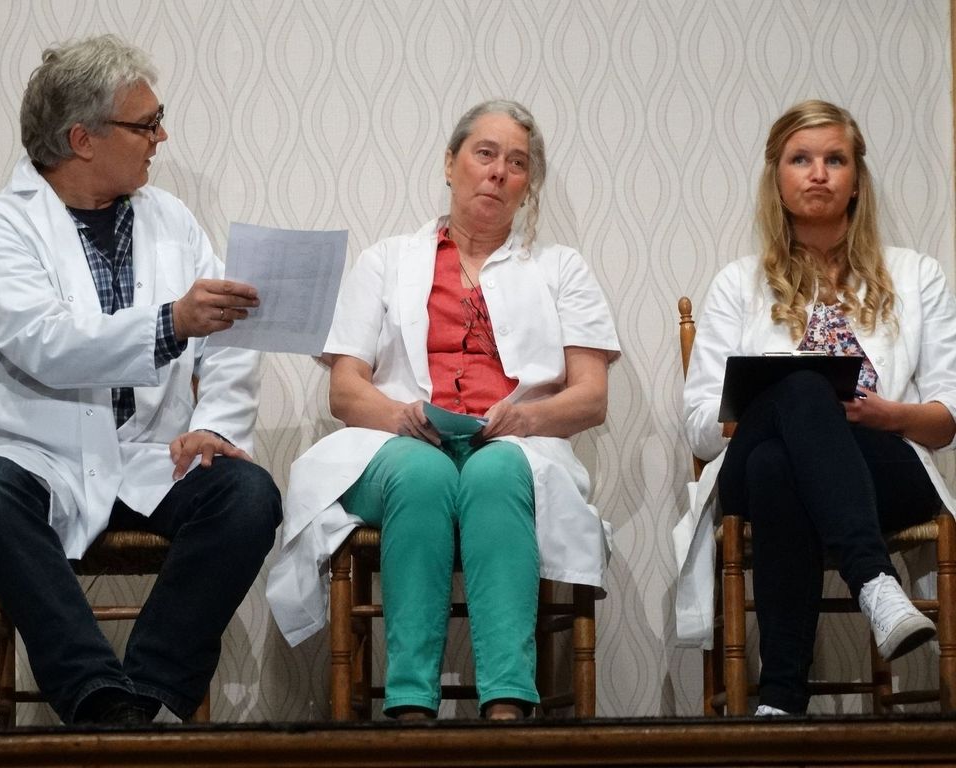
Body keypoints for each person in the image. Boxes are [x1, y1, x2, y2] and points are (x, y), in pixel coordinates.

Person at [0, 34, 282, 726]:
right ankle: (98, 697)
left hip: (153, 456)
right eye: (146, 123)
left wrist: (213, 425)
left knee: (248, 495)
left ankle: (147, 697)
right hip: (41, 455)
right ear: (83, 139)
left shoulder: (172, 220)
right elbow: (45, 343)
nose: (162, 137)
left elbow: (225, 338)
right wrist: (171, 323)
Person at [267, 100, 619, 720]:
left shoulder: (561, 268)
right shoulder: (386, 261)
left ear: (527, 184)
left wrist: (525, 419)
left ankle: (507, 702)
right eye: (485, 154)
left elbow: (591, 395)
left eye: (517, 163)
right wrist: (399, 415)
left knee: (496, 471)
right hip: (395, 445)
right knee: (421, 473)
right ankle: (410, 705)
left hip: (516, 446)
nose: (499, 172)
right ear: (451, 163)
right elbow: (345, 390)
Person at [675, 99, 956, 716]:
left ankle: (780, 700)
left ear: (857, 179)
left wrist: (888, 415)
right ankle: (875, 583)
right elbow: (699, 428)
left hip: (885, 467)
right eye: (801, 159)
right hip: (746, 461)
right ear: (777, 177)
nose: (819, 174)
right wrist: (768, 407)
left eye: (835, 159)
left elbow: (946, 419)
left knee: (780, 466)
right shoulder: (737, 283)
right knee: (799, 392)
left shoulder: (917, 275)